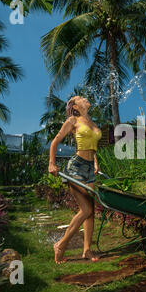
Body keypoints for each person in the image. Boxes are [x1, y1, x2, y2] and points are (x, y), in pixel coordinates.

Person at [48, 95, 102, 264]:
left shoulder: (92, 123)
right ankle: (61, 245)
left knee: (91, 212)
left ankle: (86, 250)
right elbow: (55, 141)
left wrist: (95, 163)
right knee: (85, 210)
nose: (85, 98)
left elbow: (93, 147)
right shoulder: (73, 120)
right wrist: (52, 163)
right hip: (76, 167)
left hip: (89, 169)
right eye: (80, 97)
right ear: (76, 106)